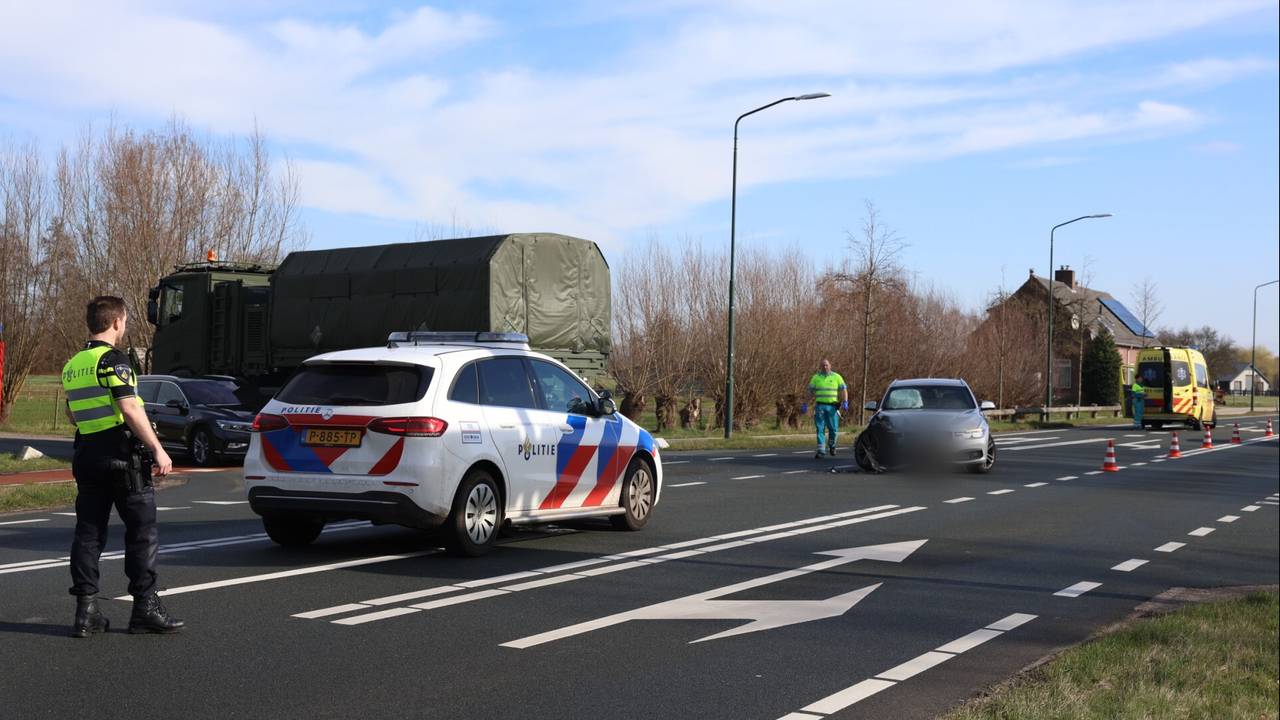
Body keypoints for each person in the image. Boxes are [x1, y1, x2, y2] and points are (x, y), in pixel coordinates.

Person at [62, 296, 183, 637]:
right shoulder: (114, 360)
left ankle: (86, 612)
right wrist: (157, 449)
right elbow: (129, 407)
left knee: (88, 533)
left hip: (87, 454)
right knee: (142, 532)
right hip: (122, 457)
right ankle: (145, 608)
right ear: (117, 322)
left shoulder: (73, 364)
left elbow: (73, 413)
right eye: (125, 321)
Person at [804, 359, 848, 458]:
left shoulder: (837, 377)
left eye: (826, 365)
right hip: (820, 407)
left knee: (833, 429)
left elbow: (844, 389)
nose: (825, 367)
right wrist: (805, 404)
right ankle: (821, 451)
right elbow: (810, 392)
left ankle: (832, 445)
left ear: (830, 366)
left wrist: (845, 401)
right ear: (820, 366)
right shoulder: (815, 378)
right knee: (820, 428)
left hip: (832, 407)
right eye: (823, 365)